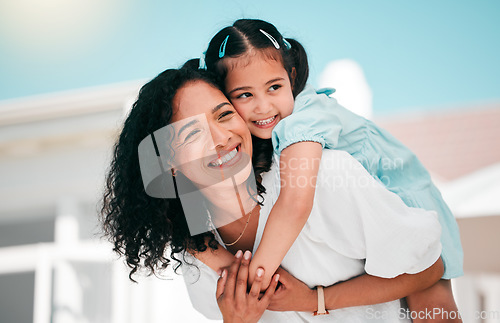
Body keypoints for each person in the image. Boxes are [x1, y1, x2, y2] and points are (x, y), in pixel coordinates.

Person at [101, 63, 446, 322]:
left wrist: (315, 299)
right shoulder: (199, 256)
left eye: (224, 115)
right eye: (192, 134)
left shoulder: (324, 177)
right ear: (170, 166)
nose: (222, 138)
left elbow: (428, 269)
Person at [202, 18, 463, 317]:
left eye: (274, 87)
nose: (263, 106)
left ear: (292, 75)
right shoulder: (265, 134)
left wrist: (255, 279)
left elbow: (295, 204)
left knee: (433, 306)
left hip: (409, 197)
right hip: (376, 210)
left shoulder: (304, 119)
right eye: (245, 95)